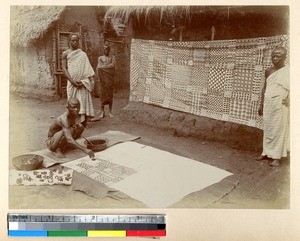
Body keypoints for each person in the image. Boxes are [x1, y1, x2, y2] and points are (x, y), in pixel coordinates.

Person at [257, 46, 289, 167]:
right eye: (273, 56)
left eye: (278, 56)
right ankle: (265, 152)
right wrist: (261, 104)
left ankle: (277, 157)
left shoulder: (289, 71)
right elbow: (264, 88)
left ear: (285, 57)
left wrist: (289, 98)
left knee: (279, 129)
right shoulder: (268, 71)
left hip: (281, 104)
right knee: (268, 128)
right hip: (268, 103)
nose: (275, 58)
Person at [62, 33, 95, 127]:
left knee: (82, 101)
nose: (75, 42)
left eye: (76, 40)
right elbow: (64, 69)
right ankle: (72, 122)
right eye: (73, 40)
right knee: (72, 102)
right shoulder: (65, 53)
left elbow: (87, 69)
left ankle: (83, 122)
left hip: (82, 82)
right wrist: (72, 81)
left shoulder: (82, 54)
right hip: (72, 82)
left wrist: (83, 81)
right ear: (69, 41)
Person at [91, 44, 115, 120]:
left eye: (108, 49)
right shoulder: (100, 58)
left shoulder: (112, 58)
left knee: (110, 95)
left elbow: (113, 66)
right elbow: (99, 67)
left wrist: (104, 66)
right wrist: (107, 66)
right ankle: (102, 112)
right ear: (103, 50)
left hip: (109, 79)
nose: (106, 51)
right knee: (103, 95)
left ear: (109, 50)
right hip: (102, 79)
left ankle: (110, 112)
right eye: (105, 49)